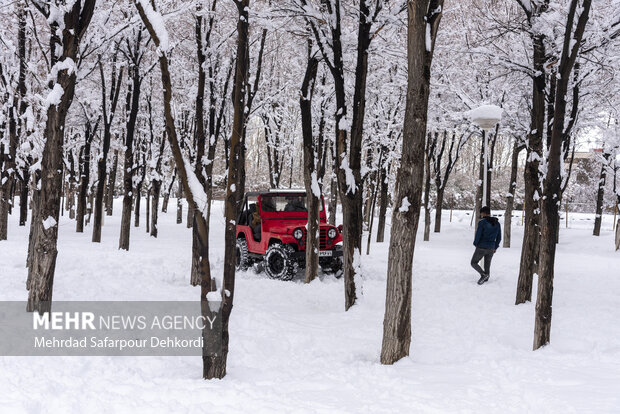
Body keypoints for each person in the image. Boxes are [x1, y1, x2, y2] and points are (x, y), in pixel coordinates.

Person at [471, 206, 501, 285]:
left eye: (481, 213)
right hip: (491, 247)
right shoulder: (497, 223)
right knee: (487, 265)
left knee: (473, 262)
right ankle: (486, 278)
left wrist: (476, 243)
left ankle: (483, 275)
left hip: (481, 246)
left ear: (483, 213)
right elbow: (499, 237)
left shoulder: (482, 222)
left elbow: (478, 235)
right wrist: (495, 247)